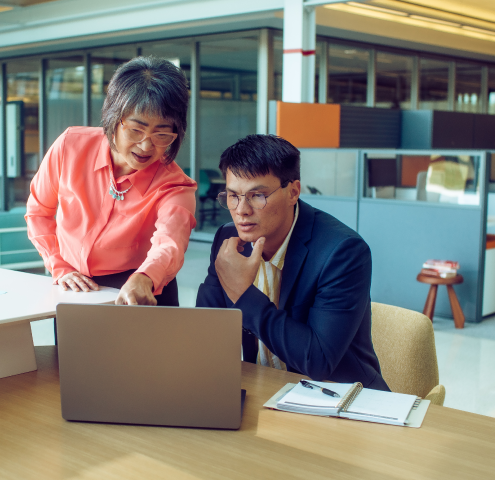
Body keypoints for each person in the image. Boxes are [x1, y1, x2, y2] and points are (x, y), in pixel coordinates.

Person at [196, 135, 389, 391]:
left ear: (293, 192)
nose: (241, 210)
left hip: (340, 397)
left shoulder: (342, 252)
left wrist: (243, 294)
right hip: (263, 389)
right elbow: (204, 332)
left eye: (257, 195)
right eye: (233, 196)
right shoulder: (228, 239)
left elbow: (318, 361)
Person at [26, 56, 196, 306]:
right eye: (136, 130)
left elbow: (169, 242)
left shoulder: (175, 185)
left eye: (162, 133)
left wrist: (145, 277)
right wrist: (58, 265)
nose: (146, 145)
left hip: (141, 287)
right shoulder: (70, 146)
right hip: (72, 283)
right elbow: (38, 212)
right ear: (113, 117)